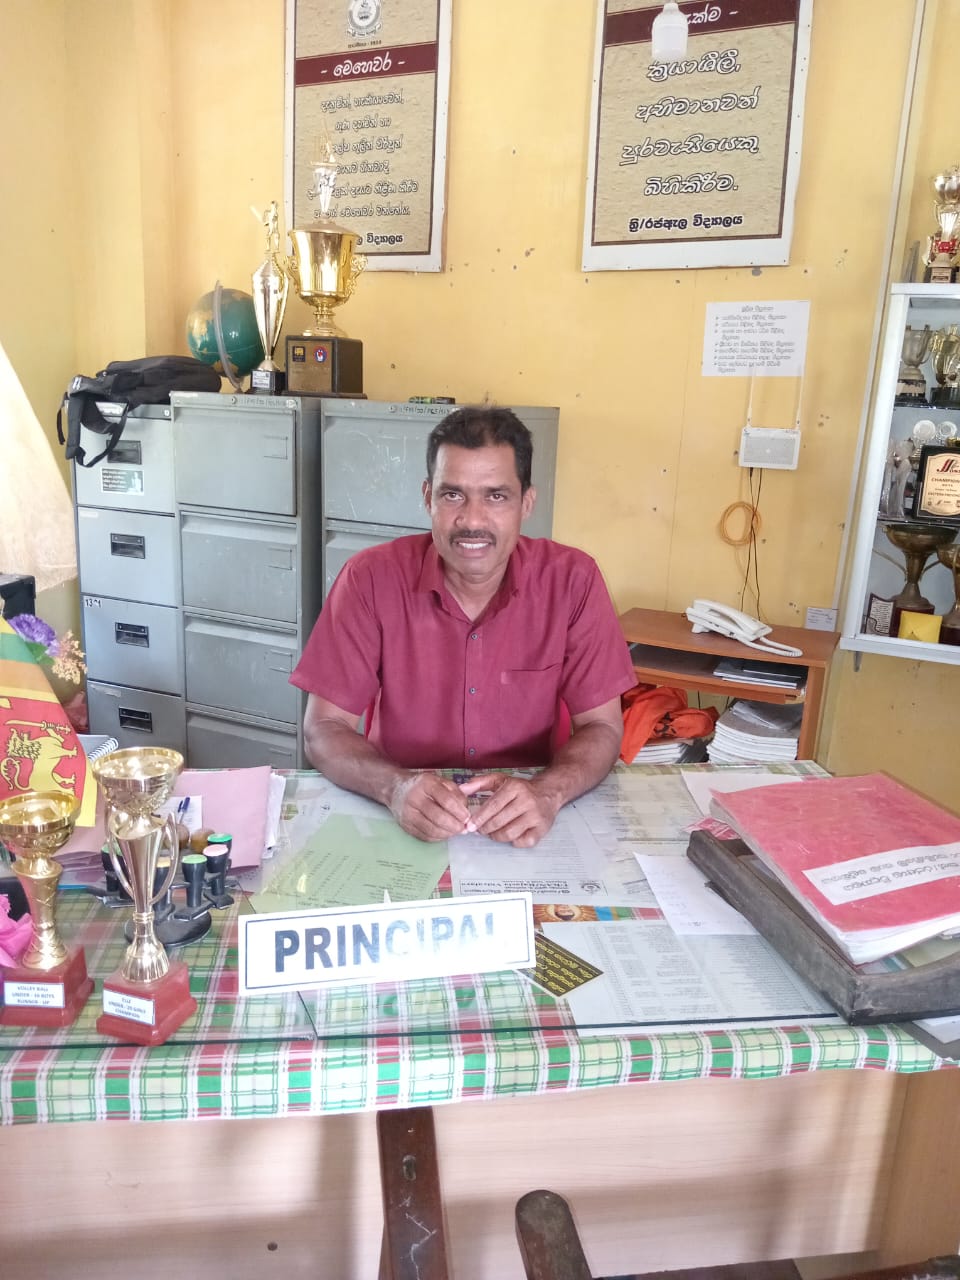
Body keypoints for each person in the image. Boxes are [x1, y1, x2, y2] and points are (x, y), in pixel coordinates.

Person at [291, 405, 637, 847]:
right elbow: (323, 728)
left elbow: (603, 728)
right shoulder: (370, 579)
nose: (472, 521)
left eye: (496, 496)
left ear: (526, 503)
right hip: (398, 813)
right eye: (453, 495)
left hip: (528, 820)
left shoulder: (573, 581)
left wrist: (547, 793)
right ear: (428, 498)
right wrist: (394, 788)